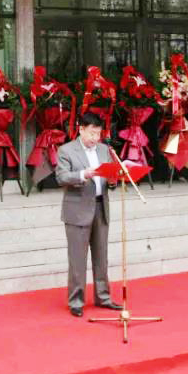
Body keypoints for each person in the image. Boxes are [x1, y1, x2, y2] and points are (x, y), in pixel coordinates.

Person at [55, 112, 124, 317]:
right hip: (78, 210)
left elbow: (110, 177)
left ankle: (103, 297)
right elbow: (61, 177)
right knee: (77, 258)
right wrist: (83, 174)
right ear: (81, 129)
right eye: (92, 133)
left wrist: (112, 180)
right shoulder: (66, 150)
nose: (95, 138)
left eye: (98, 133)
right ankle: (76, 301)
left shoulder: (104, 150)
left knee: (101, 256)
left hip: (101, 207)